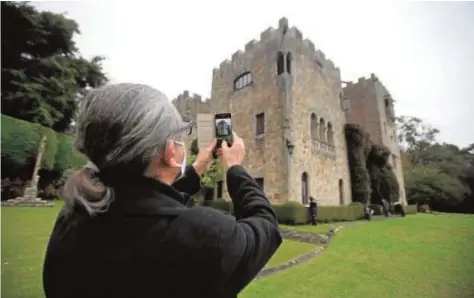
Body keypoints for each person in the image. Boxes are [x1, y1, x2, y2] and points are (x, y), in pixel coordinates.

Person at [42, 83, 282, 298]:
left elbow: (149, 203)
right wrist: (235, 167)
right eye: (181, 135)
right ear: (169, 151)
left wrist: (197, 168)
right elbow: (265, 225)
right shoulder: (206, 234)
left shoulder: (75, 216)